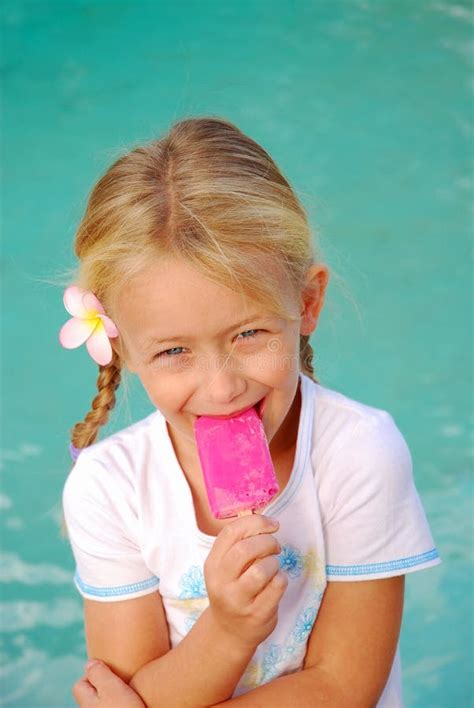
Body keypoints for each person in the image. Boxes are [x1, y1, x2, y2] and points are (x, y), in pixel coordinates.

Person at [60, 116, 442, 708]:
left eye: (249, 333)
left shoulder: (358, 452)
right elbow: (130, 687)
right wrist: (228, 631)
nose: (221, 389)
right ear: (122, 347)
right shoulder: (109, 488)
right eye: (173, 351)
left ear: (308, 303)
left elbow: (345, 689)